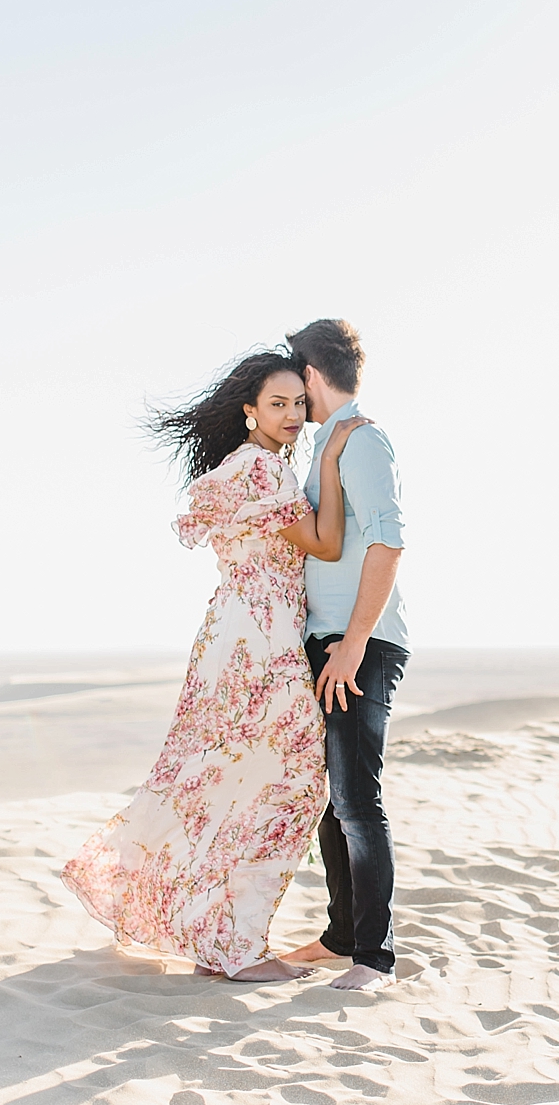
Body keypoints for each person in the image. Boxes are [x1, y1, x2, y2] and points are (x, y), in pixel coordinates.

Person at [60, 350, 368, 982]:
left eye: (297, 404)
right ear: (250, 411)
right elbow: (327, 543)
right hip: (263, 641)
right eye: (275, 404)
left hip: (237, 634)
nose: (291, 415)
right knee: (290, 784)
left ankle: (209, 928)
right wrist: (332, 461)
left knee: (224, 780)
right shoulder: (260, 472)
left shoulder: (251, 468)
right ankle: (231, 944)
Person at [279, 319, 410, 992]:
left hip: (362, 641)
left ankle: (375, 958)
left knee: (358, 797)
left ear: (311, 372)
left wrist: (354, 643)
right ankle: (340, 937)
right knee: (336, 799)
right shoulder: (326, 445)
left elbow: (387, 544)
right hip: (326, 640)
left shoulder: (361, 439)